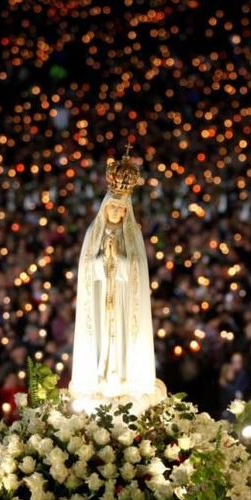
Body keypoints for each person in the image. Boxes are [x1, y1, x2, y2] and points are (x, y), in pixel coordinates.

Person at [70, 148, 159, 403]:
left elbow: (137, 271)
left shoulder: (132, 236)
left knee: (120, 335)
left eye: (121, 210)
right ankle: (101, 375)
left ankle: (123, 377)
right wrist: (102, 260)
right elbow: (87, 268)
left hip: (123, 299)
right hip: (101, 296)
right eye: (113, 208)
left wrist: (117, 260)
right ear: (105, 208)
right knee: (102, 335)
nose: (116, 213)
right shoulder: (93, 233)